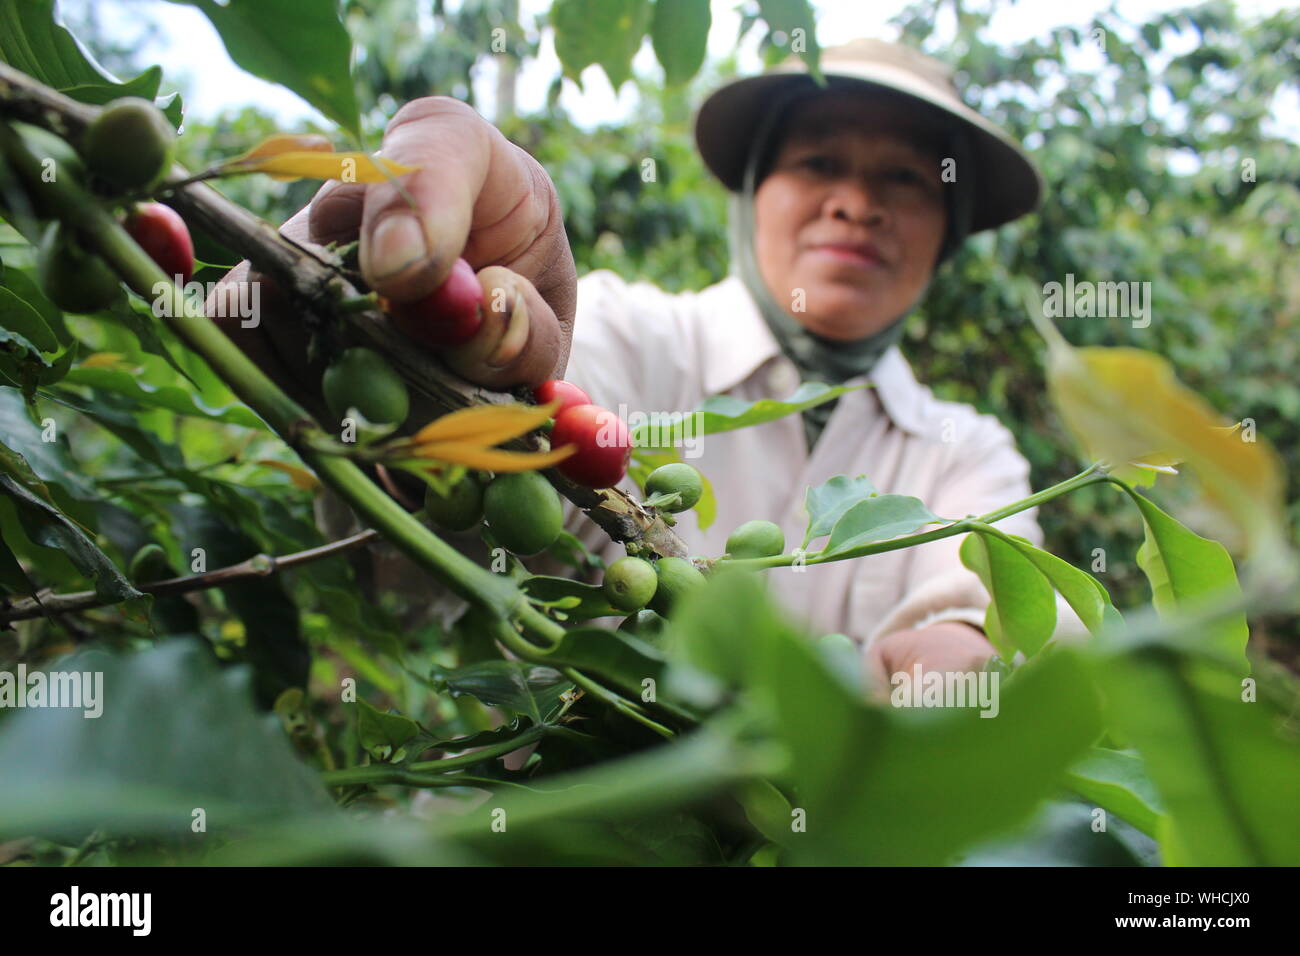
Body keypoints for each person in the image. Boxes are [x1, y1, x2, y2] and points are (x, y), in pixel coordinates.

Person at [211, 38, 1082, 691]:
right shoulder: (626, 335)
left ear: (949, 234)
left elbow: (992, 614)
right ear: (750, 197)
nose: (856, 205)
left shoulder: (966, 454)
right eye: (819, 163)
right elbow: (450, 528)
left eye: (907, 181)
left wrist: (968, 660)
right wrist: (409, 320)